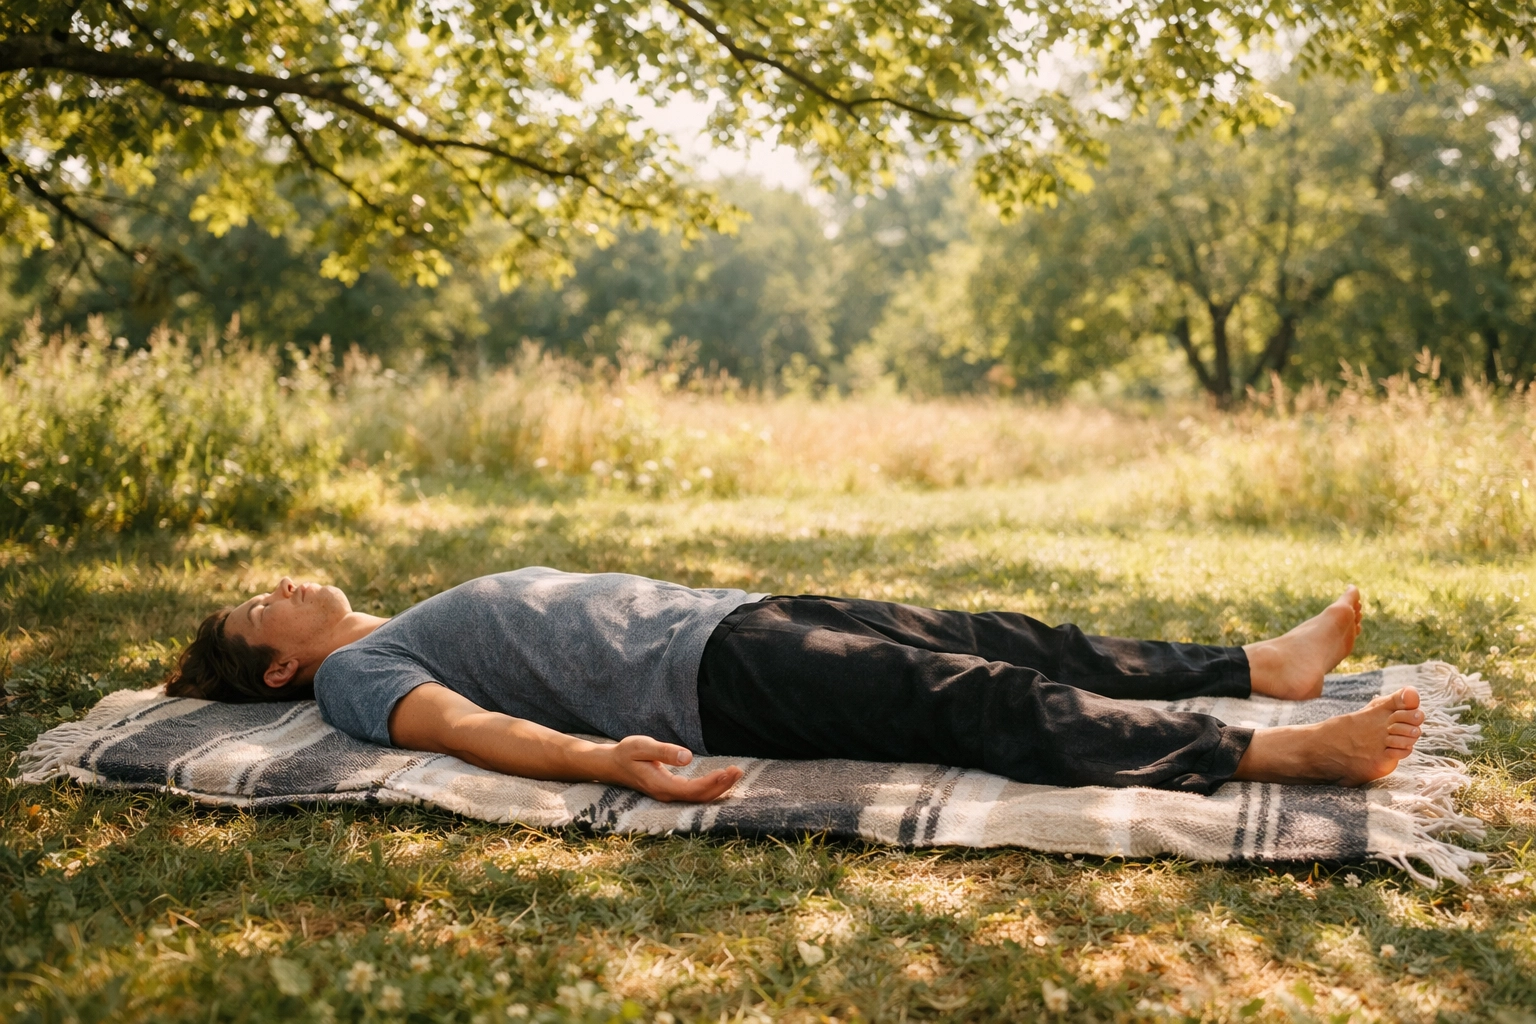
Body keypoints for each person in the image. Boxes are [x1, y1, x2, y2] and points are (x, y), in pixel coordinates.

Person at [164, 567, 1425, 803]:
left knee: (1007, 633)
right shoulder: (356, 677)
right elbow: (471, 728)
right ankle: (1267, 752)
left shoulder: (394, 618)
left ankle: (1262, 668)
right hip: (710, 678)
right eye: (258, 601)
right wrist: (604, 761)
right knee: (973, 696)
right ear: (279, 663)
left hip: (735, 617)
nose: (277, 580)